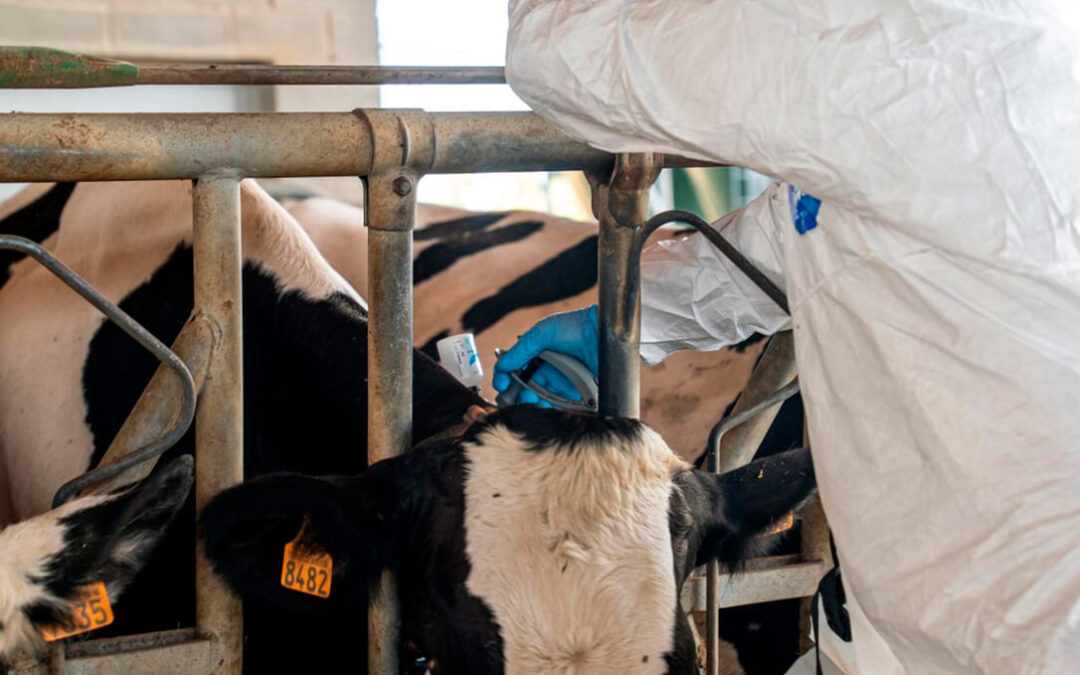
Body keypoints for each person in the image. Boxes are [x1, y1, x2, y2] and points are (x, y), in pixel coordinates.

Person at [497, 2, 1080, 674]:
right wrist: (630, 318)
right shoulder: (1011, 42)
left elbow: (565, 56)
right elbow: (812, 222)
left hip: (1017, 629)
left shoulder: (886, 34)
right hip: (916, 620)